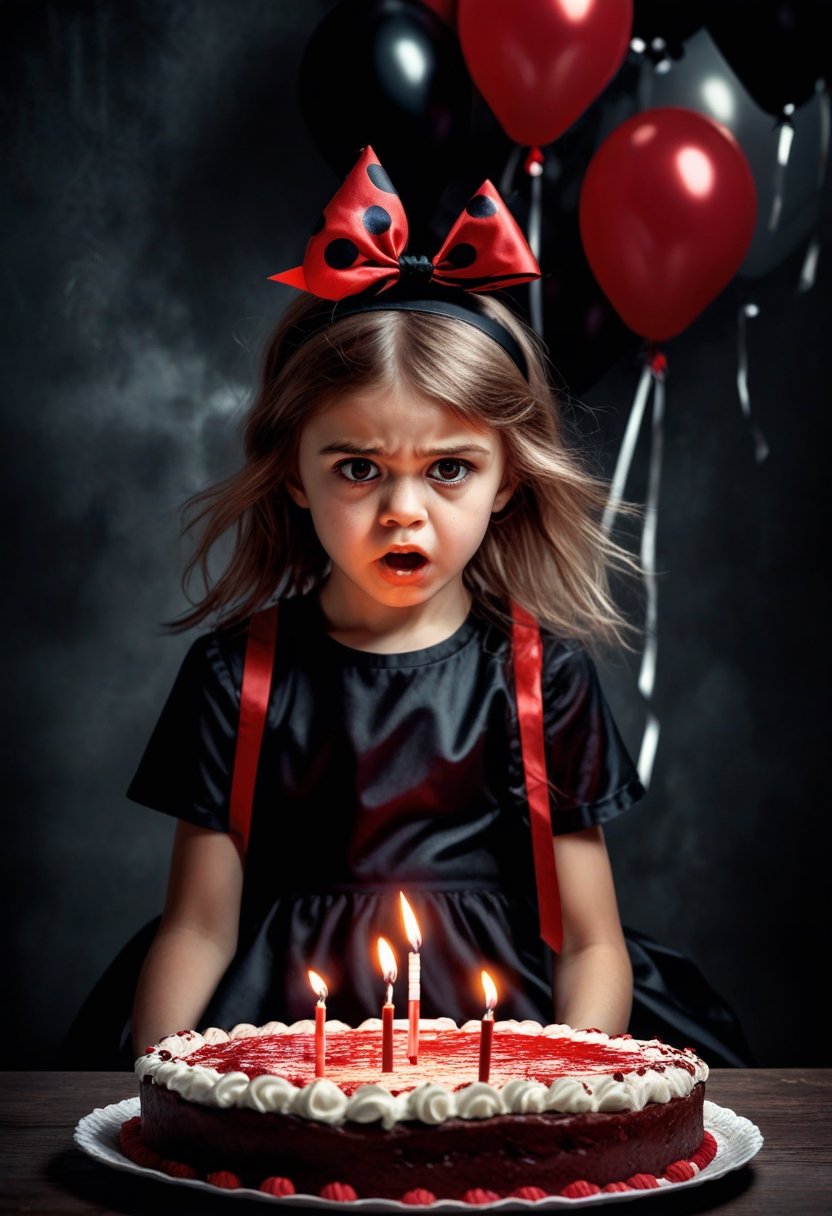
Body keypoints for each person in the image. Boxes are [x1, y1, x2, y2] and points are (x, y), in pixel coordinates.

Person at [118, 148, 751, 1067]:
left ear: (505, 481)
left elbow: (592, 943)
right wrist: (168, 1073)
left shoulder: (542, 676)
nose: (402, 509)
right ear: (294, 472)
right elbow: (200, 929)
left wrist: (551, 1082)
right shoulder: (236, 674)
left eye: (448, 468)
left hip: (507, 1039)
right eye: (359, 468)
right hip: (287, 1038)